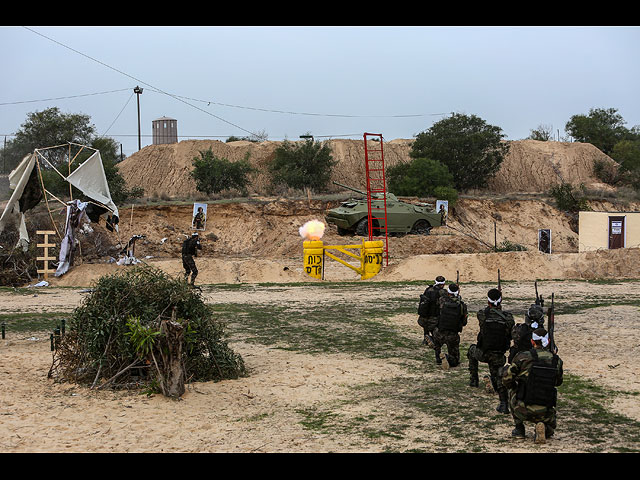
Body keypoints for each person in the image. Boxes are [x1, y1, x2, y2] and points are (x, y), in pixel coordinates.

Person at [502, 327, 564, 443]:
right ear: (548, 342)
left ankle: (519, 429)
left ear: (532, 341)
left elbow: (507, 379)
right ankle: (543, 427)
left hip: (523, 409)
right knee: (550, 429)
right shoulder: (556, 360)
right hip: (546, 411)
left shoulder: (523, 357)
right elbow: (558, 382)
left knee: (512, 390)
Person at [467, 288, 515, 414]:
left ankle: (474, 380)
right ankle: (504, 403)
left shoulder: (482, 314)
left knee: (471, 350)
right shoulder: (508, 318)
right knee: (498, 376)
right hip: (498, 354)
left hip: (483, 352)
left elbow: (486, 312)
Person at [432, 283, 467, 369]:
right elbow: (464, 322)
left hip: (439, 333)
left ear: (448, 292)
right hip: (452, 335)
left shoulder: (441, 300)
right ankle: (446, 357)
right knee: (455, 361)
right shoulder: (462, 305)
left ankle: (438, 356)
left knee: (437, 341)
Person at [417, 276, 446, 347]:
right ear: (443, 284)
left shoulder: (428, 289)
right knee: (436, 329)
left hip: (424, 316)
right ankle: (433, 340)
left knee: (426, 328)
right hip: (435, 316)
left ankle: (426, 338)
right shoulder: (442, 292)